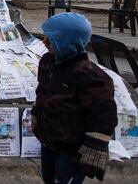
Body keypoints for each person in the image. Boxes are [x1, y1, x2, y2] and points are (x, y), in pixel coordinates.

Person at [33, 13, 116, 183]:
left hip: (73, 149)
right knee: (48, 179)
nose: (44, 42)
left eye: (51, 39)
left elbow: (103, 115)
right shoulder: (48, 62)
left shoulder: (91, 76)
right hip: (49, 141)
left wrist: (97, 144)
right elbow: (42, 91)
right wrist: (36, 113)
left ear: (68, 42)